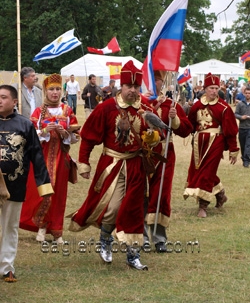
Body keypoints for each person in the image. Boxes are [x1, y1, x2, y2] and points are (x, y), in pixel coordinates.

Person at [69, 60, 161, 270]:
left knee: (135, 210)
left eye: (137, 87)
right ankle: (105, 242)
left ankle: (133, 255)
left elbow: (156, 138)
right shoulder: (107, 107)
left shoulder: (145, 106)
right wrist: (84, 163)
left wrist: (153, 138)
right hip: (113, 164)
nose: (133, 91)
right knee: (112, 208)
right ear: (122, 86)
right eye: (130, 87)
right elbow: (89, 137)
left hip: (137, 165)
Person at [0, 85, 53, 283]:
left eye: (4, 97)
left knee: (9, 226)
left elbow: (37, 157)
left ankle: (7, 267)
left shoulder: (25, 125)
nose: (0, 100)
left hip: (15, 185)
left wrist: (44, 186)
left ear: (14, 102)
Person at [19, 74, 80, 243]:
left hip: (61, 158)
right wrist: (45, 131)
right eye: (51, 89)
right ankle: (41, 227)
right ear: (45, 91)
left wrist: (65, 133)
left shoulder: (67, 111)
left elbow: (75, 137)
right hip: (42, 158)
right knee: (44, 191)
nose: (55, 92)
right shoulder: (38, 111)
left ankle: (57, 231)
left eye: (58, 89)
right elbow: (31, 136)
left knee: (59, 193)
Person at [143, 71, 193, 253]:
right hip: (141, 154)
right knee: (139, 193)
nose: (155, 82)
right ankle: (140, 236)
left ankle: (159, 238)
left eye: (158, 79)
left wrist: (175, 118)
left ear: (162, 82)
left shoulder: (170, 104)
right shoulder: (138, 102)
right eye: (151, 77)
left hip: (165, 154)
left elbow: (186, 130)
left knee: (161, 195)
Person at [183, 73, 239, 218]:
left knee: (207, 172)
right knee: (199, 171)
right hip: (199, 142)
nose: (214, 91)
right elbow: (190, 124)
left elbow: (231, 130)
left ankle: (203, 206)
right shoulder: (197, 105)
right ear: (205, 89)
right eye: (211, 88)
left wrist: (233, 149)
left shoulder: (224, 108)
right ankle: (220, 194)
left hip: (216, 142)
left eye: (216, 88)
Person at [235, 86, 250, 167]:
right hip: (242, 127)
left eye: (249, 93)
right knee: (243, 145)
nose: (248, 95)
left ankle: (247, 161)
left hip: (249, 127)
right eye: (246, 93)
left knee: (248, 144)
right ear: (244, 93)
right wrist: (241, 117)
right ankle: (244, 159)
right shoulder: (240, 104)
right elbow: (235, 114)